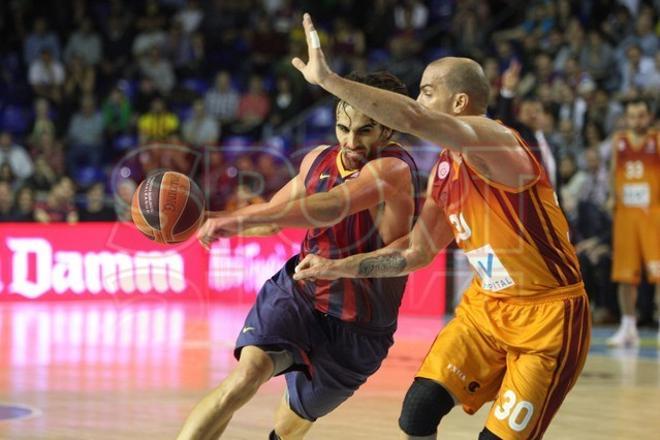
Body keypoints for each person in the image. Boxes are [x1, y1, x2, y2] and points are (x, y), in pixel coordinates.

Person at [292, 13, 590, 440]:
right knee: (417, 412)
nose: (417, 100)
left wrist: (331, 81)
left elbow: (412, 118)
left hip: (549, 317)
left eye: (427, 92)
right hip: (485, 309)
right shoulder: (445, 169)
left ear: (460, 103)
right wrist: (334, 267)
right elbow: (415, 252)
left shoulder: (497, 142)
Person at [177, 71, 421, 440]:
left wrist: (233, 218)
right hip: (300, 294)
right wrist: (218, 221)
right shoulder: (318, 160)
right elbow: (274, 219)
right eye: (343, 128)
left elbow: (331, 206)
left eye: (365, 131)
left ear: (387, 130)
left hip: (358, 329)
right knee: (244, 379)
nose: (350, 141)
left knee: (289, 428)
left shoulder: (394, 169)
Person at [606, 99, 660, 347]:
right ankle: (628, 327)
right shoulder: (619, 141)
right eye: (632, 116)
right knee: (624, 274)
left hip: (653, 214)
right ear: (626, 118)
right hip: (625, 215)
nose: (637, 120)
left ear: (649, 117)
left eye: (641, 115)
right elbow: (612, 172)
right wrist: (611, 197)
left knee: (658, 273)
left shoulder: (656, 140)